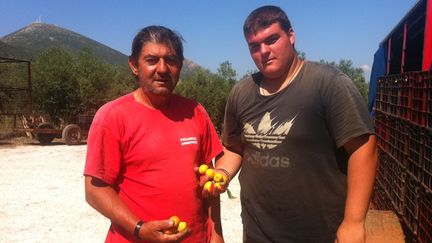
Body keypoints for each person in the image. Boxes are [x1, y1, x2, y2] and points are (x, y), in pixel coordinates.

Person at [210, 5, 378, 243]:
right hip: (257, 232)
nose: (264, 51)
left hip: (319, 233)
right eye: (254, 46)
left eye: (272, 39)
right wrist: (222, 173)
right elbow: (234, 148)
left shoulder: (327, 84)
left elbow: (364, 148)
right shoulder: (241, 92)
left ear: (291, 35)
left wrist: (353, 222)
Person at [84, 25, 224, 243]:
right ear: (134, 65)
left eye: (171, 60)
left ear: (180, 65)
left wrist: (216, 233)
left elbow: (210, 183)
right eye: (151, 60)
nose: (162, 68)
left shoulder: (196, 112)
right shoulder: (112, 117)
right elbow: (95, 190)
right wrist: (139, 228)